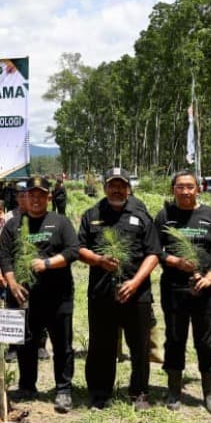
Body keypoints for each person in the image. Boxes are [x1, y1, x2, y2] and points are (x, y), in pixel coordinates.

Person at [77, 168, 161, 409]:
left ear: (128, 188)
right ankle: (100, 394)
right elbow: (79, 248)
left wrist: (135, 283)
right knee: (101, 345)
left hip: (137, 293)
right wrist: (98, 260)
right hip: (102, 293)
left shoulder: (141, 216)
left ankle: (140, 393)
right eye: (112, 185)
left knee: (139, 345)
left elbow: (154, 253)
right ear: (105, 187)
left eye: (121, 185)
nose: (117, 189)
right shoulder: (91, 215)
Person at [0, 176, 80, 412]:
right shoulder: (13, 225)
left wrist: (47, 263)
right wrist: (12, 283)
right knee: (27, 343)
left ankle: (63, 389)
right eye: (30, 195)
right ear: (25, 197)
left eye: (40, 195)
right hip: (25, 296)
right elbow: (4, 256)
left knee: (62, 344)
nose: (35, 199)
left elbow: (73, 251)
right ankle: (27, 385)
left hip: (58, 295)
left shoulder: (61, 222)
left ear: (48, 197)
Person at [154, 171, 211, 416]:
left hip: (205, 291)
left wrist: (210, 276)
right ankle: (174, 390)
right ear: (173, 189)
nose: (185, 191)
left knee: (206, 341)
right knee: (175, 339)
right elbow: (154, 249)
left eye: (190, 186)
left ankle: (210, 393)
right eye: (180, 187)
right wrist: (174, 261)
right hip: (174, 289)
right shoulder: (165, 216)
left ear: (198, 189)